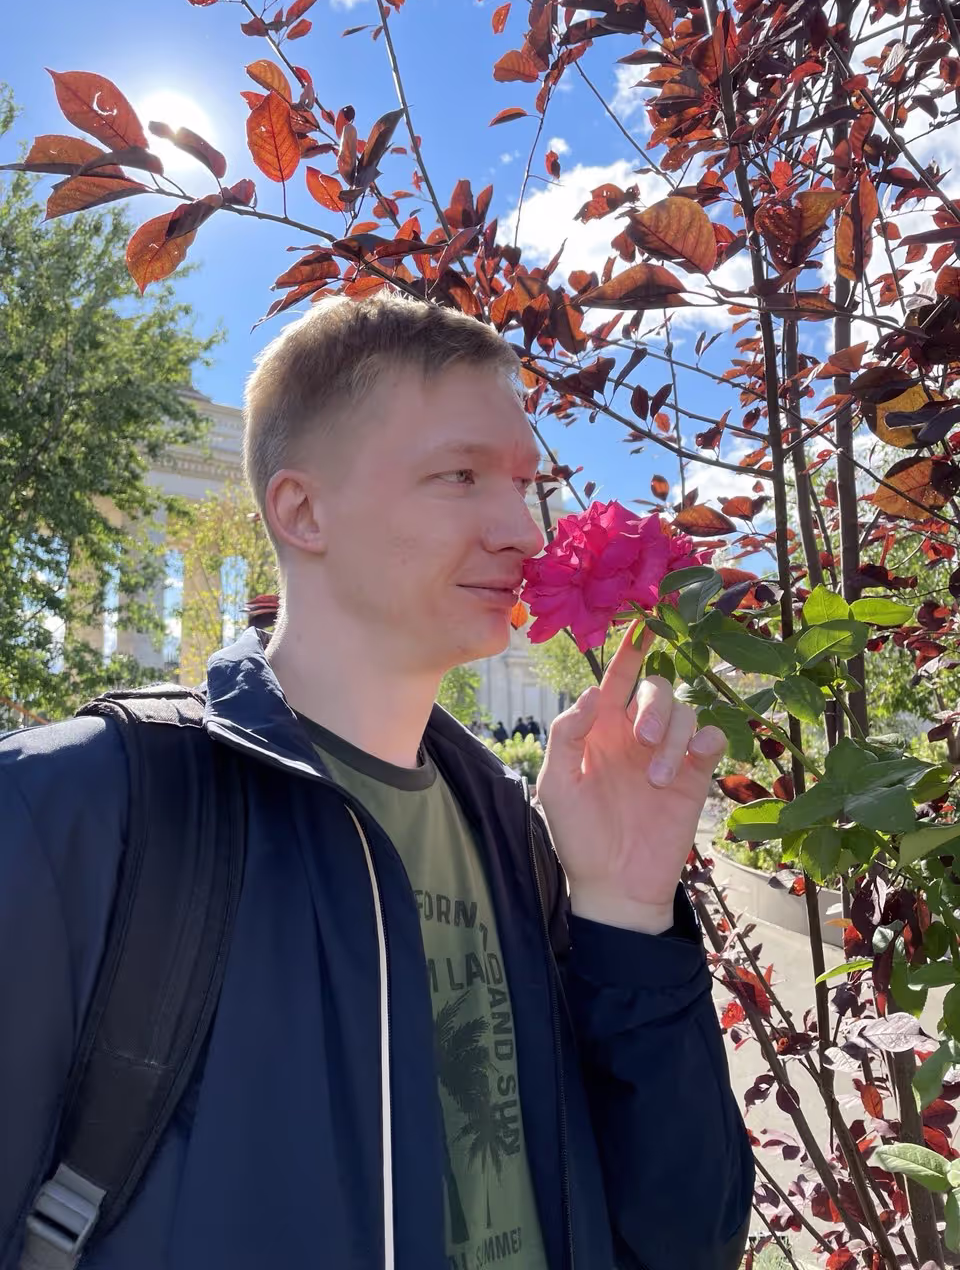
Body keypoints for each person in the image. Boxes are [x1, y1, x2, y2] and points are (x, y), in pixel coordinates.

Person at [0, 291, 753, 1270]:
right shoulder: (72, 814)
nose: (525, 532)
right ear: (302, 509)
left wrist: (627, 914)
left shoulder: (517, 835)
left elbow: (683, 1241)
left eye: (523, 483)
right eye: (460, 475)